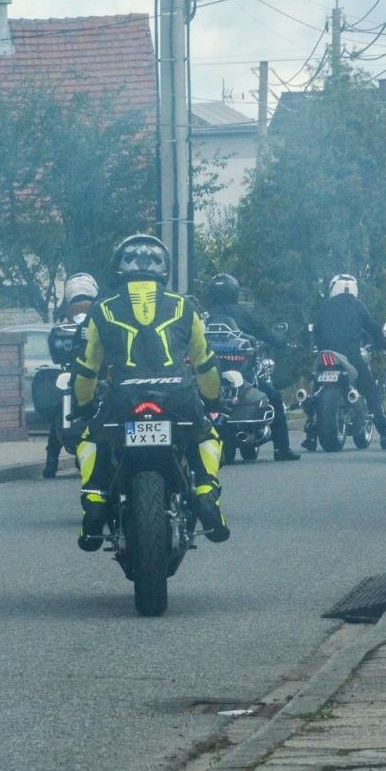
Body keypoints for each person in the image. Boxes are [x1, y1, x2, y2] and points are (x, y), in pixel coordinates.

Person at [72, 234, 229, 550]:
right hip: (178, 398)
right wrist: (213, 400)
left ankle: (95, 501)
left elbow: (87, 367)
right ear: (164, 268)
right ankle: (205, 493)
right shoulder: (184, 306)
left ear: (119, 267)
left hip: (123, 400)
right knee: (205, 436)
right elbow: (205, 363)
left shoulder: (101, 310)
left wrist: (83, 405)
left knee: (91, 439)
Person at [203, 272, 298, 460]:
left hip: (207, 376)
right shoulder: (243, 313)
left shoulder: (204, 316)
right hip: (243, 377)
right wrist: (282, 341)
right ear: (234, 291)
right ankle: (282, 450)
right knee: (274, 398)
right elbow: (266, 333)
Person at [309, 273, 386, 437]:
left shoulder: (325, 305)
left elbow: (316, 330)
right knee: (370, 389)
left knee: (315, 390)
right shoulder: (357, 305)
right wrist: (384, 344)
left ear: (333, 288)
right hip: (351, 356)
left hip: (325, 356)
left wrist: (318, 347)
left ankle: (311, 434)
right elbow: (372, 327)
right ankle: (385, 433)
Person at [41, 273, 98, 478]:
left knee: (59, 411)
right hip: (89, 371)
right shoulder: (98, 312)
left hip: (78, 370)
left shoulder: (71, 317)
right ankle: (53, 461)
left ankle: (51, 462)